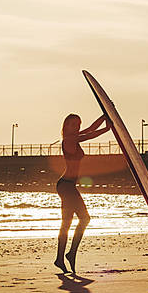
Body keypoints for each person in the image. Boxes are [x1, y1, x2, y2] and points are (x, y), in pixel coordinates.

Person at [54, 113, 110, 274]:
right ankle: (69, 254)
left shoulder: (74, 137)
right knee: (84, 219)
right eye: (73, 125)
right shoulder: (69, 140)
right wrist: (107, 127)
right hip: (66, 186)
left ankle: (61, 258)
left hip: (68, 185)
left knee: (68, 223)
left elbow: (91, 128)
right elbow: (91, 134)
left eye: (78, 125)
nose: (77, 127)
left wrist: (104, 115)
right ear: (66, 126)